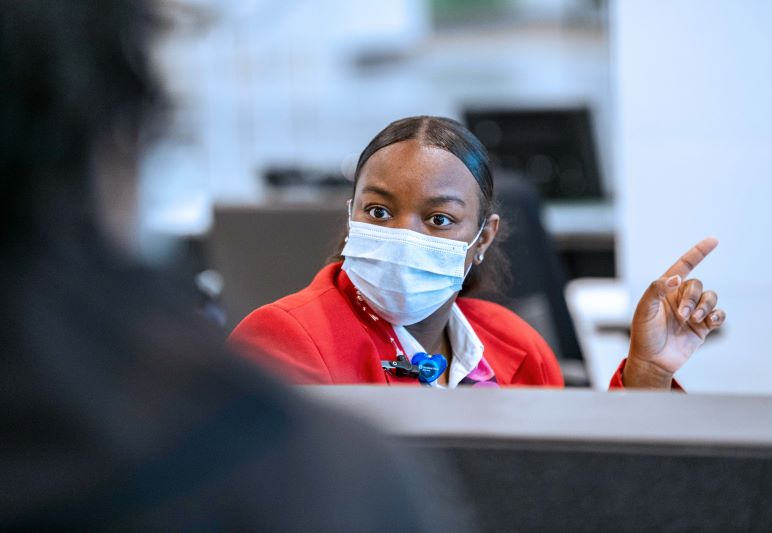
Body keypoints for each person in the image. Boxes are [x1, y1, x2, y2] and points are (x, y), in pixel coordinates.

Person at [0, 2, 468, 530]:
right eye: (379, 211)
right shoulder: (304, 472)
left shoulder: (504, 345)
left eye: (438, 218)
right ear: (119, 146)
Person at [229, 116, 726, 389]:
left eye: (439, 219)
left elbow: (579, 488)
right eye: (379, 212)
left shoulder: (516, 345)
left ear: (482, 239)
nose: (406, 234)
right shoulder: (281, 341)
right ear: (351, 213)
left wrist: (647, 372)